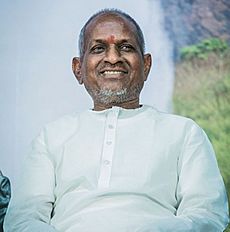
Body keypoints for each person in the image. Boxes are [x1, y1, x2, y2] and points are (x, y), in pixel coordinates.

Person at [4, 8, 229, 232]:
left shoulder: (184, 132)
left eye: (126, 47)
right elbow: (23, 220)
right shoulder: (51, 136)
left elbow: (208, 214)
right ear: (78, 69)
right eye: (99, 48)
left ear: (147, 65)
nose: (113, 58)